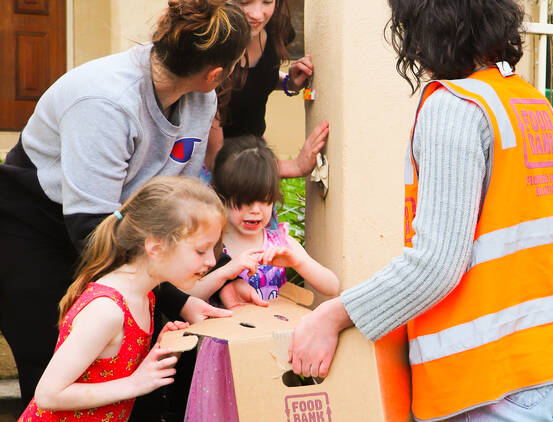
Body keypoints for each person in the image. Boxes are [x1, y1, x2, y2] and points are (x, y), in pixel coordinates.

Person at [283, 0, 553, 421]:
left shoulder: (454, 107)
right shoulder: (528, 101)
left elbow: (438, 264)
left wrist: (331, 316)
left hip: (497, 380)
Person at [0, 0, 251, 406]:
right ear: (216, 73)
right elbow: (91, 231)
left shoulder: (202, 100)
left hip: (122, 232)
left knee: (137, 361)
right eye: (239, 63)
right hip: (38, 227)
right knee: (58, 363)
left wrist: (225, 276)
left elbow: (183, 212)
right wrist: (180, 299)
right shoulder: (106, 101)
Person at [18, 176, 226, 421]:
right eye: (201, 250)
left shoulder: (145, 296)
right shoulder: (107, 310)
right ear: (156, 247)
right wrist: (135, 384)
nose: (211, 261)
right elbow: (48, 395)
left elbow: (110, 370)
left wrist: (157, 358)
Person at [184, 135, 339, 421]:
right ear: (220, 197)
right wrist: (226, 271)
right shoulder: (213, 245)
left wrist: (298, 261)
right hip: (225, 352)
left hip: (277, 345)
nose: (255, 210)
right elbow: (191, 294)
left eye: (264, 201)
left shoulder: (280, 242)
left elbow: (332, 285)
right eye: (242, 202)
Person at [202, 0, 328, 181]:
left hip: (255, 152)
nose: (257, 14)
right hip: (222, 174)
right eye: (245, 2)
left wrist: (288, 82)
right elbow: (217, 160)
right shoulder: (213, 50)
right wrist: (294, 166)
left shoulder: (275, 27)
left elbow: (251, 80)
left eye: (267, 1)